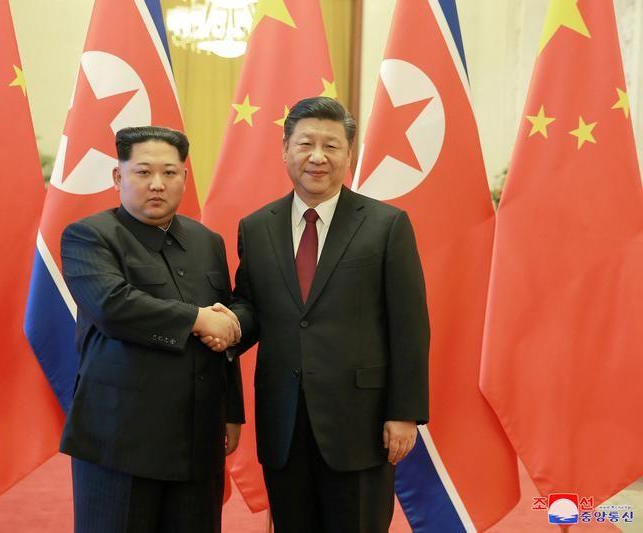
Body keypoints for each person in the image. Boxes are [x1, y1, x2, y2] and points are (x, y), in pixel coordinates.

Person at [224, 97, 430, 532]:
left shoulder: (385, 224)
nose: (317, 157)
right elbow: (252, 306)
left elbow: (409, 326)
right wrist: (221, 326)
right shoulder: (257, 227)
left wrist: (405, 412)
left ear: (349, 154)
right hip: (283, 419)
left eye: (331, 146)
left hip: (361, 421)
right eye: (306, 144)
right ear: (285, 150)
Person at [59, 126, 244, 533]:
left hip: (196, 437)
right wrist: (196, 319)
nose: (157, 184)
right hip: (119, 439)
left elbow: (223, 322)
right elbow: (113, 306)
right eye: (143, 172)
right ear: (118, 177)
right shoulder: (89, 236)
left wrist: (230, 412)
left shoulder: (207, 241)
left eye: (170, 173)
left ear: (183, 176)